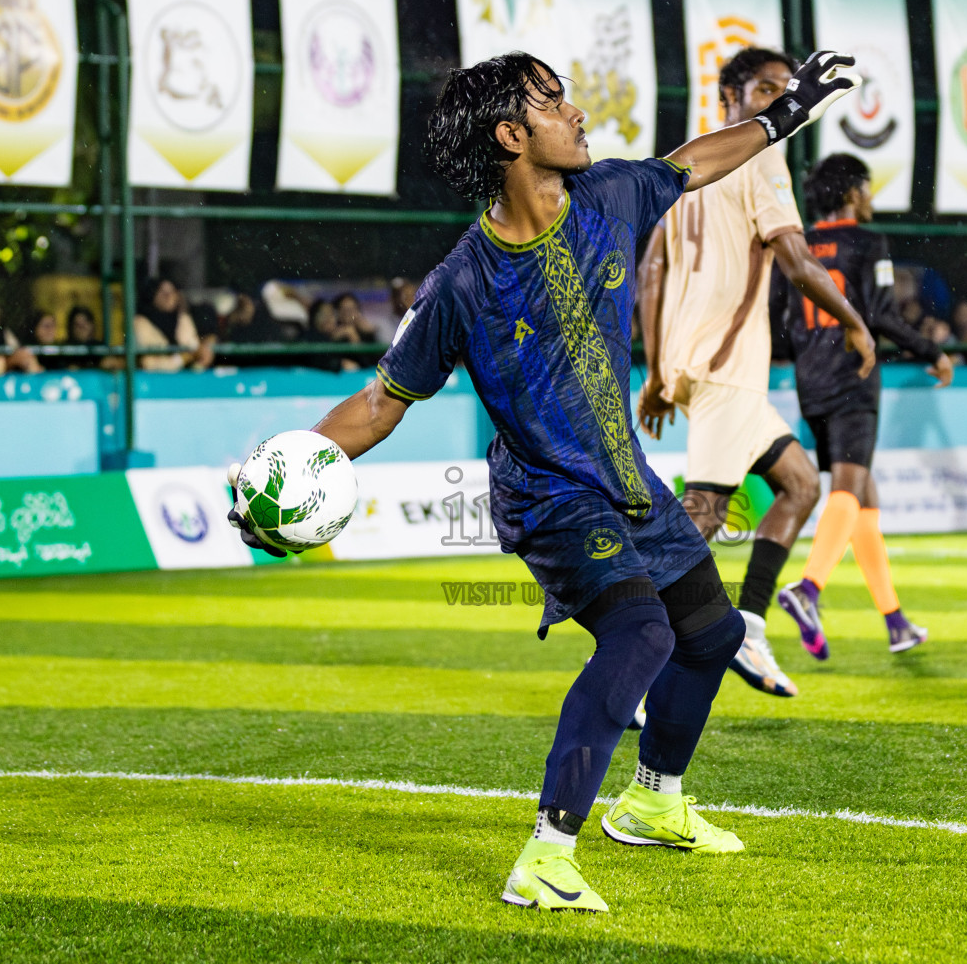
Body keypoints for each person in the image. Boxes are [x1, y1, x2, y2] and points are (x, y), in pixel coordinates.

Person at [228, 49, 863, 913]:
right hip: (546, 495)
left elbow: (694, 162)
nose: (576, 113)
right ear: (511, 135)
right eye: (553, 102)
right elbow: (379, 404)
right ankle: (546, 855)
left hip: (625, 476)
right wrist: (285, 478)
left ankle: (654, 803)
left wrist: (782, 118)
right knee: (640, 635)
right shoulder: (462, 282)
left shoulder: (611, 194)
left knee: (712, 637)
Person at [637, 47, 877, 700]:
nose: (778, 100)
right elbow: (796, 260)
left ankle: (747, 623)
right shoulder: (762, 155)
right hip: (726, 368)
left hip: (697, 364)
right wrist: (854, 321)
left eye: (783, 88)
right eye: (764, 89)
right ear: (729, 99)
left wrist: (658, 370)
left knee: (799, 483)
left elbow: (652, 270)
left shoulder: (688, 160)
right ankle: (632, 659)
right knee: (702, 515)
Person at [771, 154, 953, 657]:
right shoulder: (869, 242)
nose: (871, 199)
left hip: (811, 381)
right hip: (854, 375)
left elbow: (778, 318)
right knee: (849, 489)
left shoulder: (795, 242)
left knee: (863, 498)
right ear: (853, 193)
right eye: (868, 189)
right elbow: (882, 315)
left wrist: (809, 352)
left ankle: (895, 621)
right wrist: (933, 352)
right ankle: (808, 589)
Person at [135, 277, 214, 372]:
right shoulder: (141, 322)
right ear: (153, 296)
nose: (168, 296)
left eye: (172, 291)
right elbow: (149, 364)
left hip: (186, 375)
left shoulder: (185, 317)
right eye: (162, 292)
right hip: (158, 377)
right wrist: (184, 357)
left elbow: (199, 345)